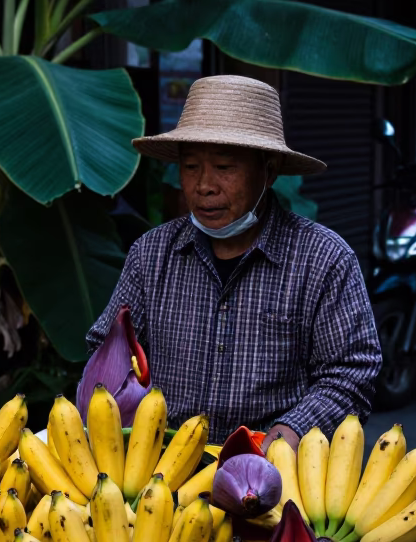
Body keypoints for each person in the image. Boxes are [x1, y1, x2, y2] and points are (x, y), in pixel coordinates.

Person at [85, 75, 382, 451]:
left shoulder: (323, 260)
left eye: (224, 167)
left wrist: (284, 437)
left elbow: (351, 373)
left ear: (269, 170)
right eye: (191, 167)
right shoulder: (151, 254)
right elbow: (107, 346)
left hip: (276, 474)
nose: (204, 185)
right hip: (160, 470)